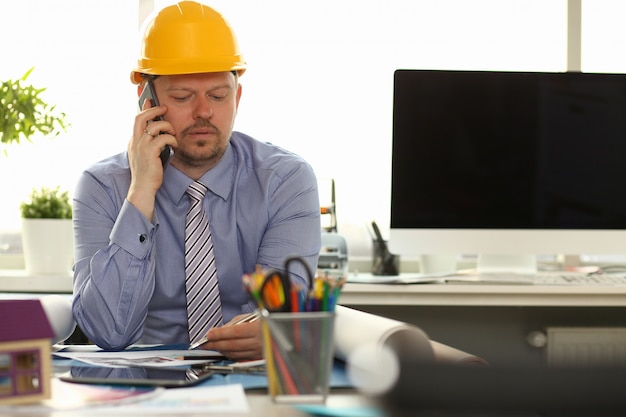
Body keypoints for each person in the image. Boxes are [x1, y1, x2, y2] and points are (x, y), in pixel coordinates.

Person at [71, 1, 321, 360]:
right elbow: (109, 333)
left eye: (218, 96)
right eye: (182, 96)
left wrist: (273, 327)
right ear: (147, 101)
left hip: (245, 373)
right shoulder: (101, 186)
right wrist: (141, 191)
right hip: (144, 382)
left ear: (237, 96)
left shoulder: (286, 180)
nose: (204, 111)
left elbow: (279, 315)